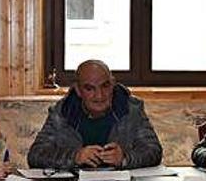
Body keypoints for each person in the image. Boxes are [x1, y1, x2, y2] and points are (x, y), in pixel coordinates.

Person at [27, 59, 163, 169]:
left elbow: (153, 151)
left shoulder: (131, 109)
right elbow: (36, 155)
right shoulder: (62, 112)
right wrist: (75, 157)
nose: (99, 95)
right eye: (89, 88)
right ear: (78, 90)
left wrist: (125, 158)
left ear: (113, 84)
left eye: (105, 86)